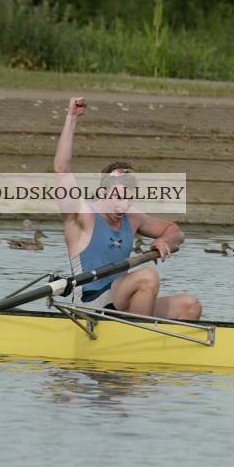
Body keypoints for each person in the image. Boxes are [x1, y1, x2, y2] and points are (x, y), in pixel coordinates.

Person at [53, 97, 202, 320]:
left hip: (120, 299)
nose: (123, 204)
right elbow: (61, 168)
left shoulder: (131, 218)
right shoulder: (81, 216)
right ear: (103, 192)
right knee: (148, 277)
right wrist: (72, 117)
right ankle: (138, 343)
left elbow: (175, 231)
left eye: (128, 198)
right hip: (90, 304)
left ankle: (149, 342)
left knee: (191, 306)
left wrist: (165, 241)